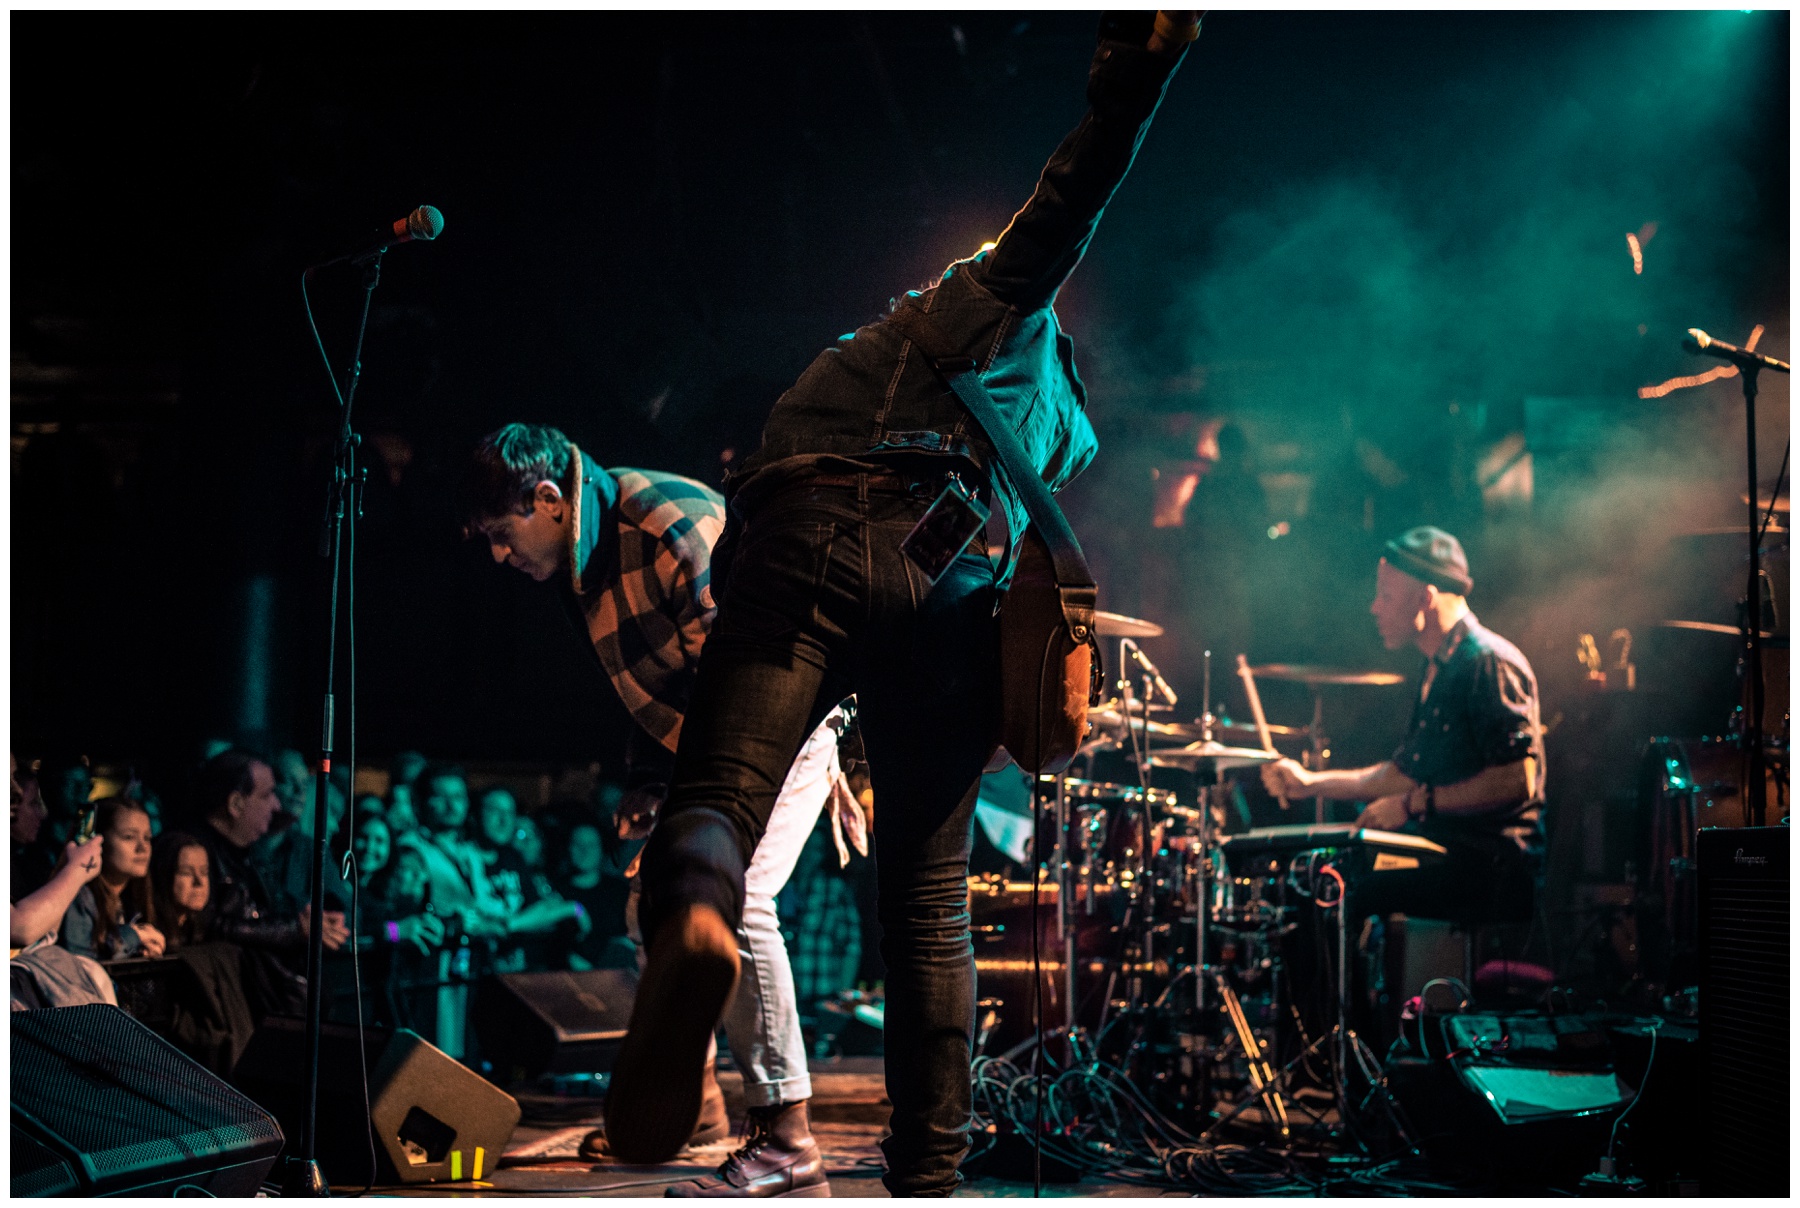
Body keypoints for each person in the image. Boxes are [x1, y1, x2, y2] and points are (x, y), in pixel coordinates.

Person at [609, 12, 1202, 1192]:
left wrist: (1136, 75)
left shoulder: (983, 305)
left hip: (813, 534)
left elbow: (1066, 203)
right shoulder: (1052, 429)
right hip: (951, 598)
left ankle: (695, 923)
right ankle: (932, 1165)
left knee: (719, 797)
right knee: (929, 902)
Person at [467, 421, 863, 1190]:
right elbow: (653, 680)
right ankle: (700, 1109)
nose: (496, 555)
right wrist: (651, 784)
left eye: (499, 533)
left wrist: (696, 817)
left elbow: (747, 677)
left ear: (547, 499)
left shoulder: (669, 526)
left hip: (781, 725)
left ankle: (787, 1134)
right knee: (653, 904)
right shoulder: (584, 551)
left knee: (733, 903)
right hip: (708, 738)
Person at [1259, 527, 1546, 924]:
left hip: (1490, 864)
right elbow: (1401, 776)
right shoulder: (1439, 667)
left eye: (1386, 595)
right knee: (1320, 877)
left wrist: (1413, 804)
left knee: (1338, 888)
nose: (1375, 608)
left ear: (1425, 598)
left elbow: (1517, 781)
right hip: (1451, 853)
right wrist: (1309, 783)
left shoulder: (1487, 662)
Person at [191, 748, 349, 1018]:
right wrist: (297, 928)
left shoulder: (243, 856)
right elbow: (207, 924)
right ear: (236, 804)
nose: (276, 805)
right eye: (267, 795)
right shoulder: (195, 852)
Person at [60, 797, 167, 961]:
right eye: (129, 837)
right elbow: (79, 961)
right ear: (98, 841)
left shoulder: (133, 900)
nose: (143, 848)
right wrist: (134, 936)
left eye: (147, 838)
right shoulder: (80, 895)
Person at [149, 831, 214, 951]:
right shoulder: (149, 930)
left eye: (204, 872)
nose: (199, 883)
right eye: (186, 873)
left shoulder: (208, 930)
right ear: (164, 876)